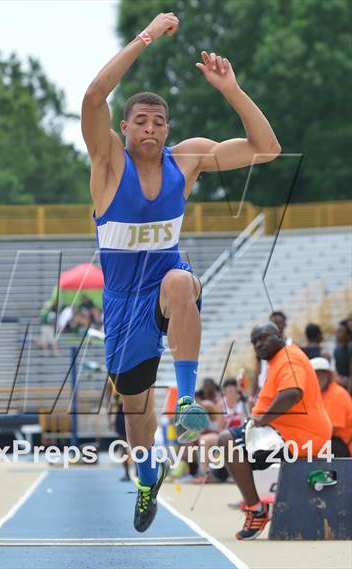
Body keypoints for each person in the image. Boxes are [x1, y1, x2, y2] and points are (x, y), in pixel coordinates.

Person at [81, 12, 281, 532]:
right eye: (140, 122)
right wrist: (146, 36)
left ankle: (189, 400)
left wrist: (231, 89)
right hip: (124, 306)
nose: (150, 129)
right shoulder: (107, 165)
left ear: (167, 129)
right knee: (136, 412)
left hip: (169, 289)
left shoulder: (186, 159)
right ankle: (148, 475)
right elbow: (93, 98)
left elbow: (268, 149)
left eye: (158, 122)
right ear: (124, 129)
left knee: (176, 279)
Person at [218, 322, 332, 540]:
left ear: (279, 337)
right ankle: (258, 505)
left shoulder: (289, 357)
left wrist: (262, 420)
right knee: (234, 442)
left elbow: (292, 393)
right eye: (254, 342)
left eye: (263, 338)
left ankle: (256, 509)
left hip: (298, 435)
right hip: (284, 431)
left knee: (226, 440)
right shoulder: (278, 360)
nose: (258, 344)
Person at [311, 357, 352, 457]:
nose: (317, 378)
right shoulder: (320, 393)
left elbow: (330, 430)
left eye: (320, 374)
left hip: (341, 445)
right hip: (329, 442)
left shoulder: (336, 394)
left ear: (328, 375)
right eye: (314, 375)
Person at [251, 311, 292, 400]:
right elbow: (257, 371)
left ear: (285, 324)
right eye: (274, 323)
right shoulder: (262, 347)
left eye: (279, 323)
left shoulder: (292, 345)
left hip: (282, 388)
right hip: (264, 388)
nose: (277, 325)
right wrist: (252, 395)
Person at [333, 319, 352, 392]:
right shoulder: (337, 349)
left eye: (340, 331)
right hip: (341, 388)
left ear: (348, 335)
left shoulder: (350, 348)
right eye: (337, 331)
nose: (337, 334)